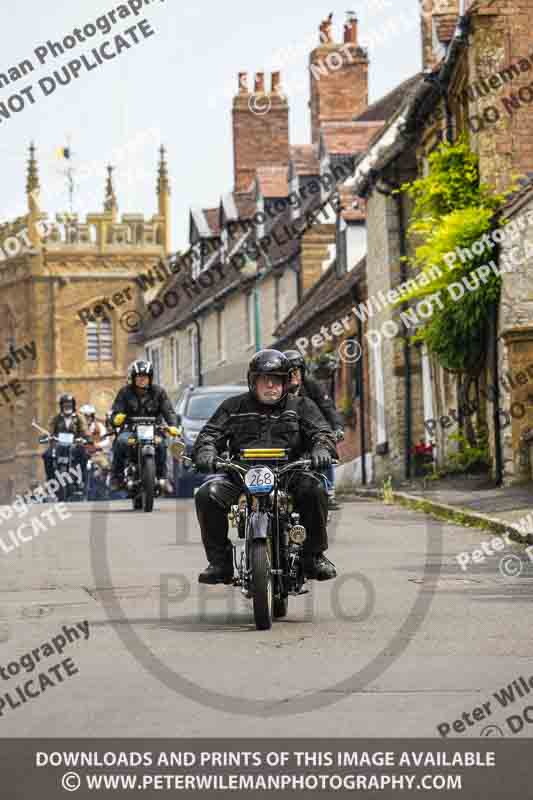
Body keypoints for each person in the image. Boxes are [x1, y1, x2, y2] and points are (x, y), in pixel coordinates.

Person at [192, 349, 337, 585]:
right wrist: (207, 452)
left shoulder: (301, 405)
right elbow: (210, 434)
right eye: (264, 380)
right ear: (253, 382)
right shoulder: (233, 406)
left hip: (290, 472)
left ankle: (314, 556)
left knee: (315, 489)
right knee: (207, 495)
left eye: (276, 380)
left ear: (285, 382)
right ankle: (220, 563)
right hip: (242, 473)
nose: (270, 386)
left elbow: (322, 432)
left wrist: (322, 449)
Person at [283, 350, 345, 508]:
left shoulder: (312, 386)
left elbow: (328, 408)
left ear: (303, 372)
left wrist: (337, 428)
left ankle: (329, 492)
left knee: (324, 450)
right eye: (289, 372)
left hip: (311, 431)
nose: (293, 375)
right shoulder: (277, 391)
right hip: (287, 436)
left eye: (297, 371)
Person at [109, 360, 180, 492]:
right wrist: (116, 418)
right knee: (120, 442)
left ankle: (163, 478)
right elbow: (115, 411)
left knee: (162, 444)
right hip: (131, 430)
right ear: (133, 378)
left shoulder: (159, 392)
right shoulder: (124, 392)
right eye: (139, 377)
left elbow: (168, 411)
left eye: (145, 377)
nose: (142, 380)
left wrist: (174, 425)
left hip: (154, 429)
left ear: (150, 378)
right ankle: (116, 478)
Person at [42, 394, 89, 485]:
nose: (67, 406)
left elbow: (84, 430)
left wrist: (85, 438)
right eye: (65, 404)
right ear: (61, 405)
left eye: (70, 404)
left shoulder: (79, 417)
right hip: (59, 445)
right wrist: (48, 436)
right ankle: (50, 481)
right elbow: (49, 429)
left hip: (75, 445)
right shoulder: (56, 418)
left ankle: (81, 480)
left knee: (84, 455)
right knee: (47, 455)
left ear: (73, 405)